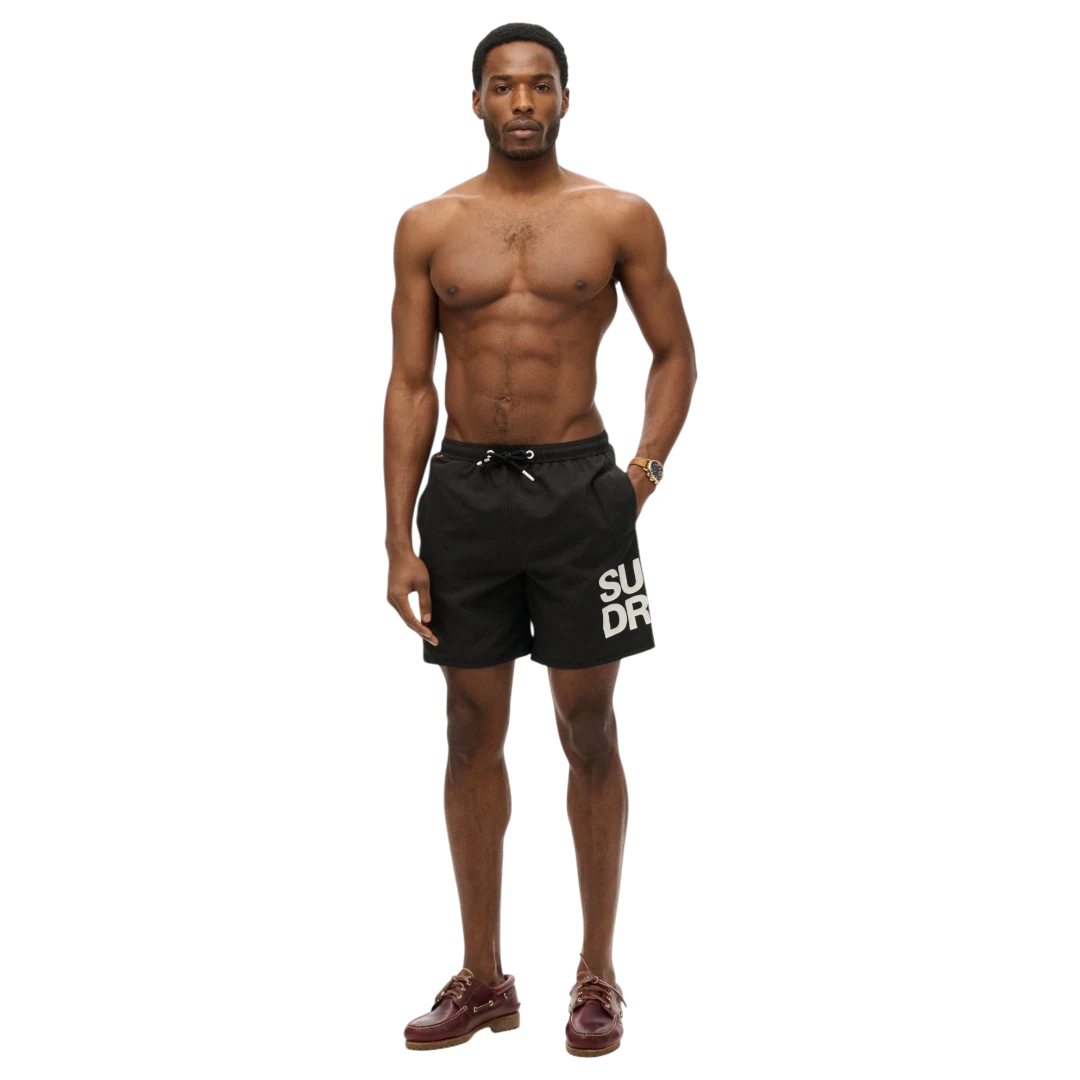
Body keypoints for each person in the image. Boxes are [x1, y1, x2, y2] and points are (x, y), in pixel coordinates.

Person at [384, 23, 696, 1057]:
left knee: (590, 723)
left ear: (565, 99)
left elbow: (673, 352)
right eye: (503, 86)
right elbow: (411, 383)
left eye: (540, 85)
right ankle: (481, 977)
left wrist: (640, 474)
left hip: (581, 495)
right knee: (470, 728)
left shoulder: (620, 216)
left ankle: (597, 977)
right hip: (464, 493)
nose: (522, 102)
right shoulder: (428, 226)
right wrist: (398, 538)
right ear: (476, 100)